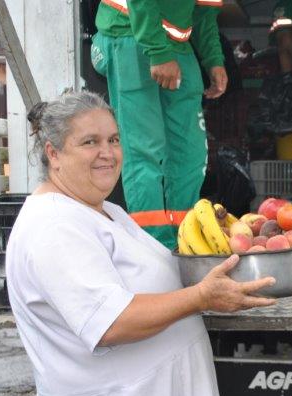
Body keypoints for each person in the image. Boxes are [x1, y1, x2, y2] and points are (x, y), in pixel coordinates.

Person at [6, 91, 276, 396]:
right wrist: (202, 298)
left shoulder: (104, 211)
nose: (108, 153)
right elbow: (110, 322)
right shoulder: (53, 227)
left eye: (113, 140)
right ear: (53, 153)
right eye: (89, 142)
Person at [91, 0, 228, 250]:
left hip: (177, 45)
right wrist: (158, 52)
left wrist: (214, 60)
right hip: (129, 31)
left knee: (190, 153)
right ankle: (151, 246)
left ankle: (185, 239)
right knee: (145, 149)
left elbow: (204, 12)